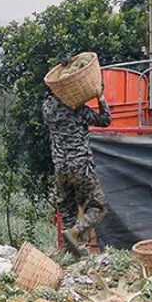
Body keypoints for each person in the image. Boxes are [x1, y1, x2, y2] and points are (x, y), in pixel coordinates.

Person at [43, 84, 112, 256]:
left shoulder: (47, 108)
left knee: (66, 208)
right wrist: (101, 98)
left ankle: (68, 253)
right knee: (99, 205)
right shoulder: (79, 110)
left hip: (60, 167)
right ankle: (75, 232)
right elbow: (105, 121)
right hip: (80, 166)